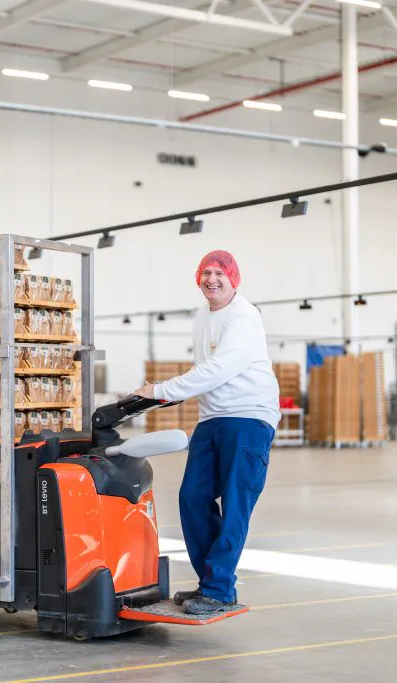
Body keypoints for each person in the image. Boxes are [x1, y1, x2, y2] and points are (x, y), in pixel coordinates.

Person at [134, 249, 280, 615]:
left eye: (219, 273)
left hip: (248, 418)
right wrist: (163, 397)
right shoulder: (204, 315)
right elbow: (207, 371)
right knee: (192, 497)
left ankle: (218, 588)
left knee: (235, 505)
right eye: (205, 273)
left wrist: (164, 390)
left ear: (234, 279)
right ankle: (211, 585)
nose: (211, 280)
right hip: (213, 419)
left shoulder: (244, 317)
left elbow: (220, 368)